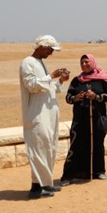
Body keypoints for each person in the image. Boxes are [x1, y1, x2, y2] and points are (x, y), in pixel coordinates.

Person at [19, 35, 70, 199]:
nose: (51, 53)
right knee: (39, 149)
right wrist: (51, 76)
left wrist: (60, 81)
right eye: (50, 49)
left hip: (48, 115)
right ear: (42, 46)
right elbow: (32, 86)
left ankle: (45, 183)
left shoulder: (40, 63)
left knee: (48, 148)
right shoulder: (28, 62)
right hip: (36, 115)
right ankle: (36, 188)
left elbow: (47, 88)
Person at [60, 54, 107, 186]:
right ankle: (68, 176)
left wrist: (96, 96)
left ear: (93, 62)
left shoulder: (102, 80)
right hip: (80, 120)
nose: (84, 64)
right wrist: (75, 98)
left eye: (86, 62)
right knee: (76, 146)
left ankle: (99, 171)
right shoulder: (76, 81)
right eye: (82, 63)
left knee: (97, 145)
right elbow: (68, 97)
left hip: (97, 119)